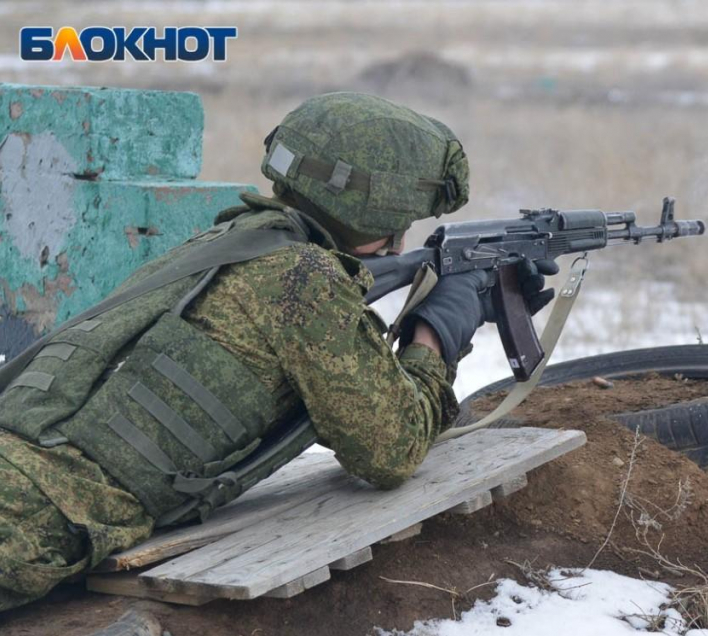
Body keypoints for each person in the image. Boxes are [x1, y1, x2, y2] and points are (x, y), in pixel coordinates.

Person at [0, 92, 555, 610]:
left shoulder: (230, 240)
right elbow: (391, 450)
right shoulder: (303, 276)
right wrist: (438, 331)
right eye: (400, 222)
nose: (403, 239)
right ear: (374, 212)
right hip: (29, 521)